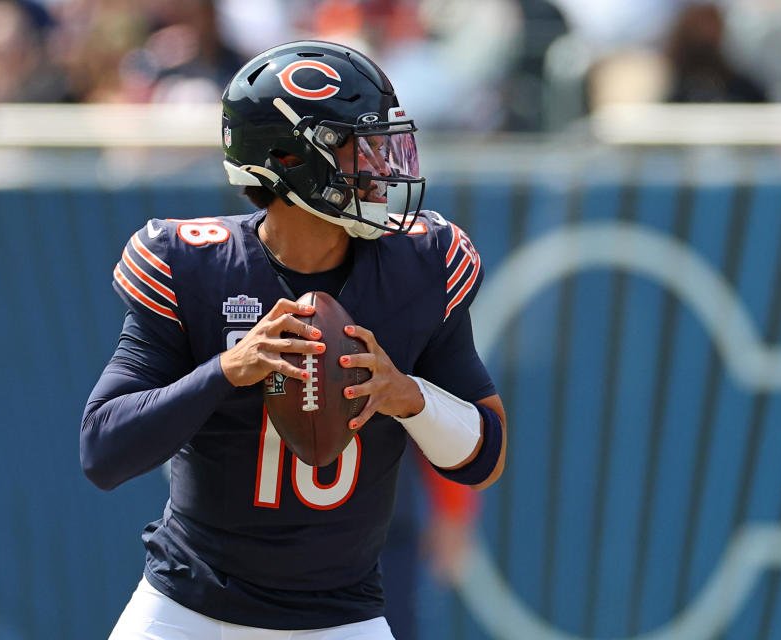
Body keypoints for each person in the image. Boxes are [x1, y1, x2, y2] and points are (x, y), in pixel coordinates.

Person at [80, 40, 507, 640]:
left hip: (341, 619)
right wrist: (226, 370)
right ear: (288, 158)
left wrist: (408, 396)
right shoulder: (196, 265)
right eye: (361, 147)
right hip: (185, 610)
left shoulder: (421, 263)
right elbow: (102, 451)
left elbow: (485, 457)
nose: (383, 167)